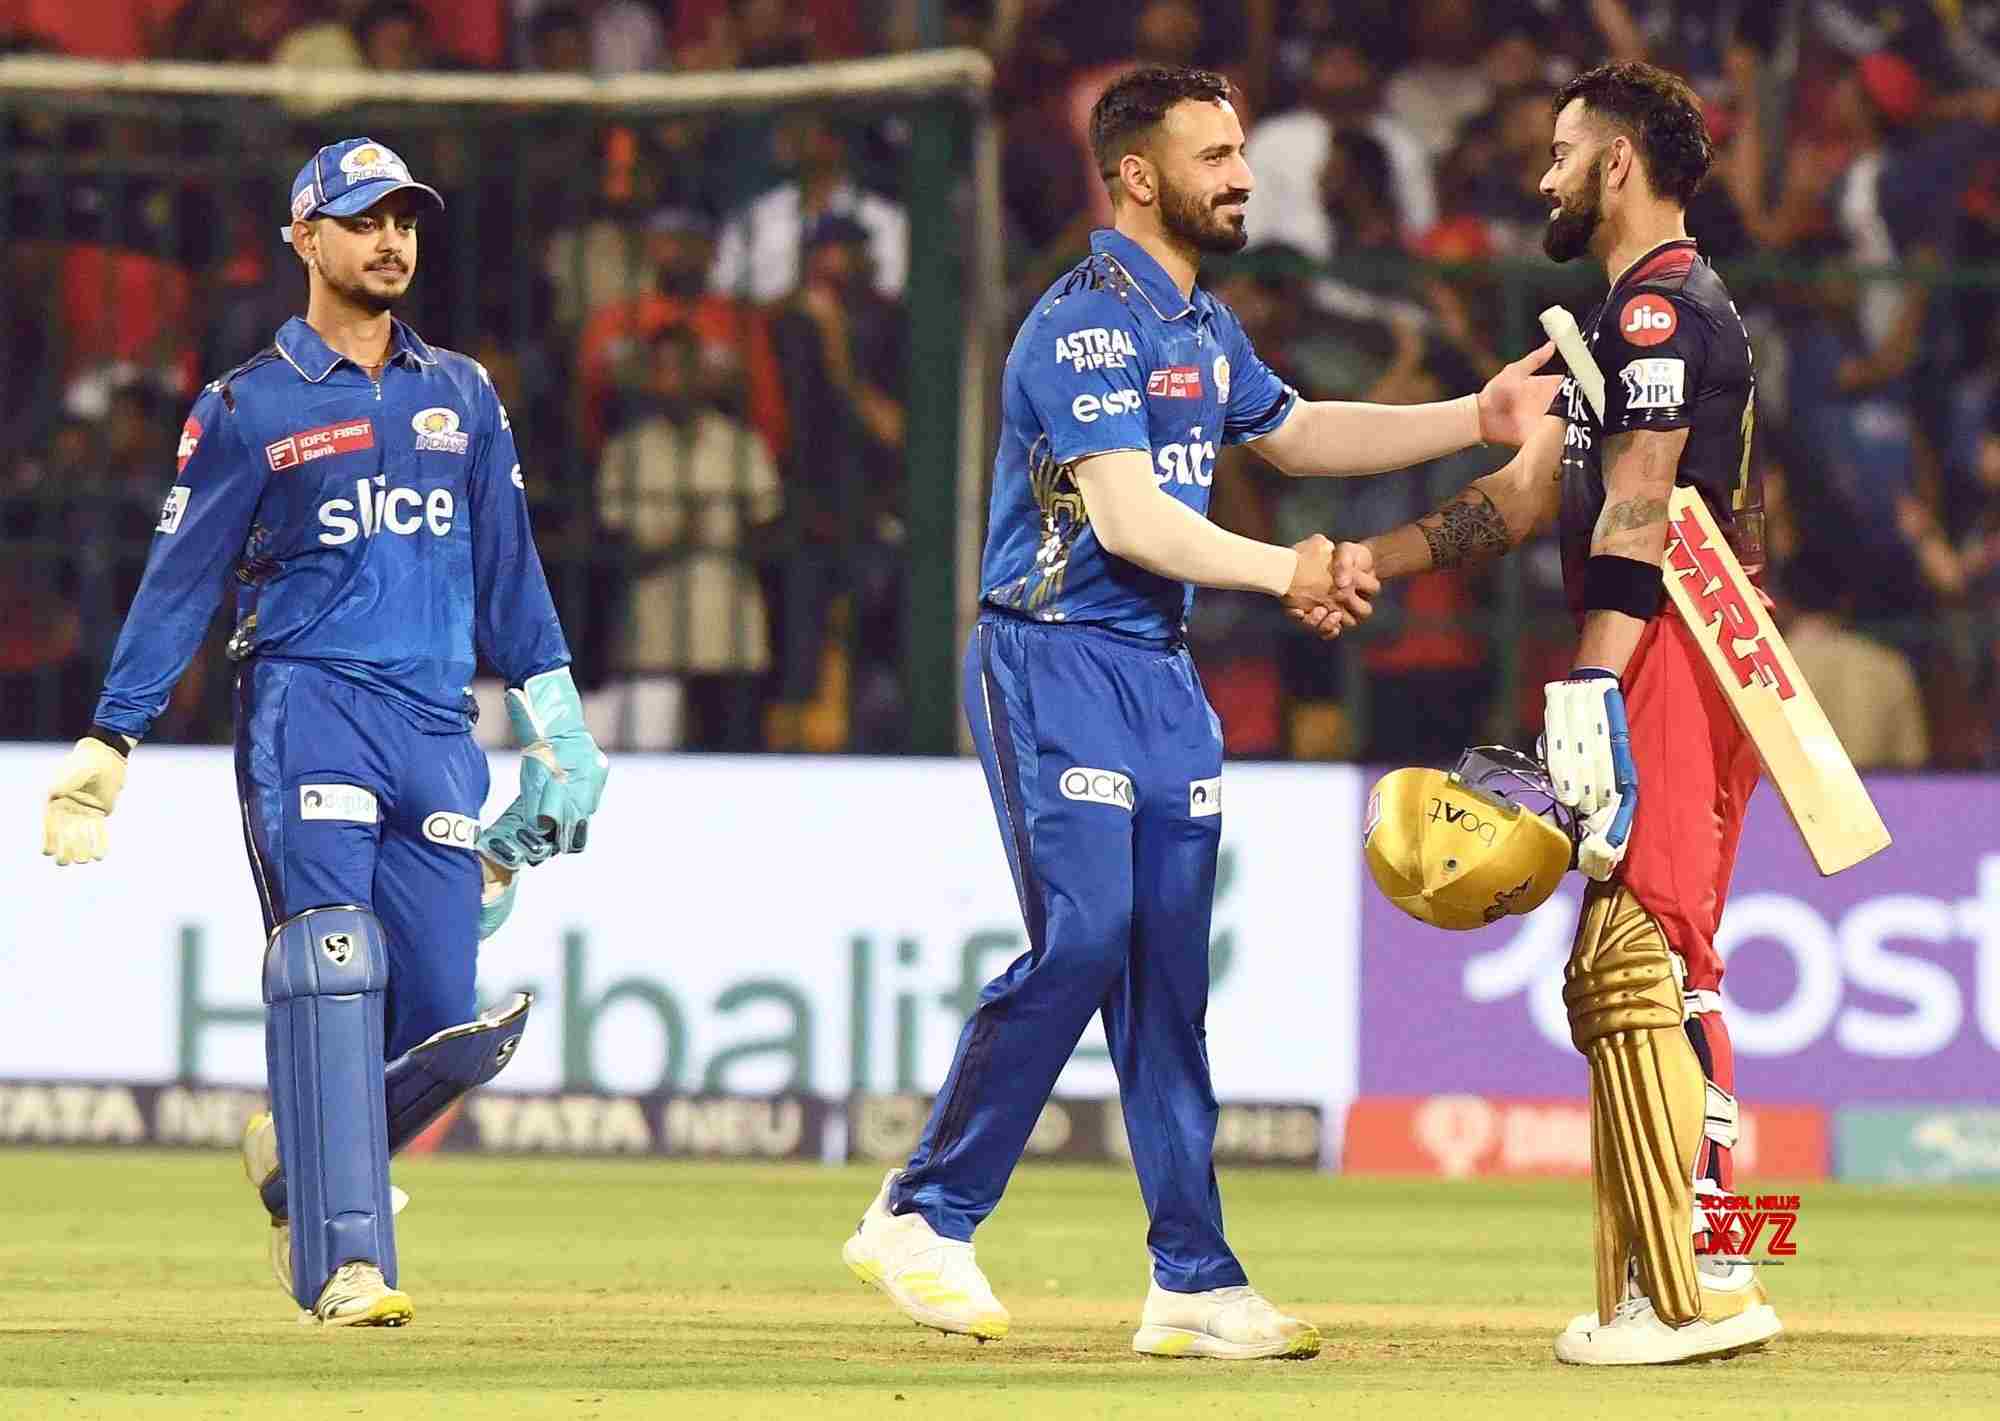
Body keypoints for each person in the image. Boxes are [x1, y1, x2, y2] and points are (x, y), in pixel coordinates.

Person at [839, 65, 1558, 1360]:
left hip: (1161, 679)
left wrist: (1474, 415)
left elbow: (1293, 435)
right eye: (1215, 154)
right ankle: (923, 1210)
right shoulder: (1082, 327)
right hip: (1051, 660)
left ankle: (1193, 1280)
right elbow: (1129, 516)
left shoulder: (1199, 326)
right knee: (1088, 936)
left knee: (1169, 984)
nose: (1241, 174)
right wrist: (1292, 569)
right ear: (1134, 177)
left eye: (1239, 149)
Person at [37, 138, 608, 1327]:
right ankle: (347, 1264)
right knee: (332, 968)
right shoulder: (246, 406)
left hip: (437, 728)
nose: (389, 240)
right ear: (305, 239)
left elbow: (507, 568)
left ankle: (299, 1166)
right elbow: (180, 579)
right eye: (361, 221)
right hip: (308, 711)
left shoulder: (463, 393)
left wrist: (555, 716)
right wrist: (111, 741)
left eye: (404, 220)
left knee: (449, 1024)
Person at [1335, 61, 1783, 1365]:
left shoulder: (1659, 312)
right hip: (1683, 633)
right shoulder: (1629, 314)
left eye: (1562, 151)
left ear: (1619, 167)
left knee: (1631, 958)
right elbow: (1532, 498)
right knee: (1667, 960)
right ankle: (1713, 1252)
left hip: (1670, 637)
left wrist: (1591, 679)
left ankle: (1682, 1292)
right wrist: (1378, 560)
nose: (1544, 176)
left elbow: (1640, 498)